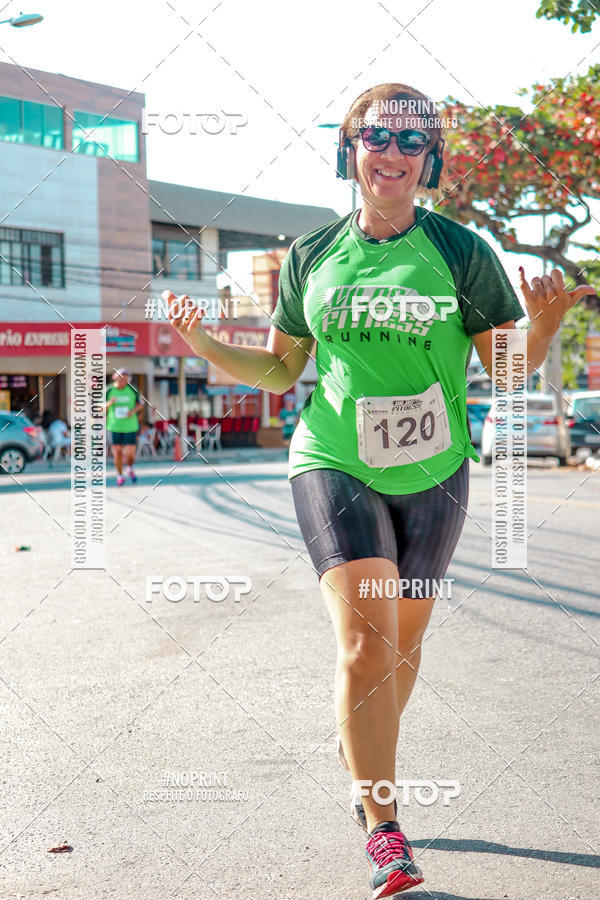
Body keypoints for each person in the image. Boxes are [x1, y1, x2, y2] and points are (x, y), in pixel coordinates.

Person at [164, 83, 595, 898]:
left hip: (437, 473)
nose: (391, 152)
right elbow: (281, 369)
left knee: (401, 648)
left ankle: (359, 742)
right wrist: (205, 341)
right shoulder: (311, 256)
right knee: (364, 646)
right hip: (335, 460)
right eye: (376, 136)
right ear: (350, 150)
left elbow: (506, 372)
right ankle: (385, 828)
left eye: (410, 140)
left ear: (429, 159)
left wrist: (542, 330)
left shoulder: (463, 253)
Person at [104, 369, 144, 486]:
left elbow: (141, 404)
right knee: (117, 453)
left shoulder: (133, 389)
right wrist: (109, 403)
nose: (123, 381)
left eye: (126, 380)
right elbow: (99, 407)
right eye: (121, 379)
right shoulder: (109, 390)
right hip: (113, 426)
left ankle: (130, 467)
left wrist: (132, 411)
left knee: (130, 454)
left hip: (130, 426)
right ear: (115, 378)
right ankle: (120, 475)